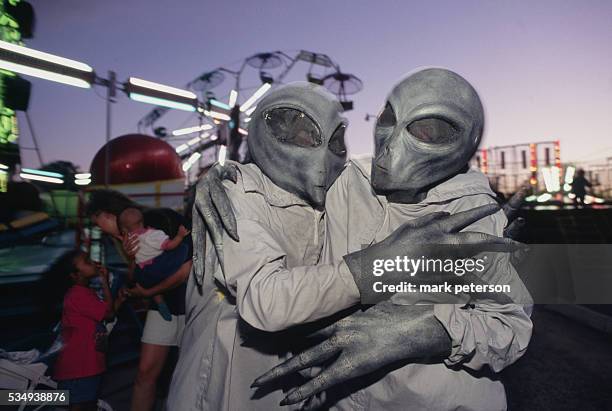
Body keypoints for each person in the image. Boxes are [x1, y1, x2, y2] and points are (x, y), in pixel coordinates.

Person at [169, 79, 523, 411]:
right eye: (390, 119)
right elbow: (274, 183)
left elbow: (511, 326)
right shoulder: (346, 183)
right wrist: (224, 177)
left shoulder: (472, 210)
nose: (394, 145)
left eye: (430, 131)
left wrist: (429, 330)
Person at [86, 189, 192, 411]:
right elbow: (137, 275)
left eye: (98, 222)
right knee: (145, 374)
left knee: (189, 374)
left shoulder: (157, 221)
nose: (99, 228)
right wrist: (132, 261)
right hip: (162, 305)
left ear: (107, 214)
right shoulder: (124, 240)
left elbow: (186, 268)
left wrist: (146, 293)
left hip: (190, 303)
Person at [51, 250, 126, 411]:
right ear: (75, 275)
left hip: (87, 364)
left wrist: (118, 301)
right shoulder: (78, 295)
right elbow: (108, 313)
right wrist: (105, 281)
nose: (92, 262)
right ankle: (11, 399)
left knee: (86, 404)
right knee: (80, 405)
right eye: (86, 261)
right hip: (80, 367)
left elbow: (103, 316)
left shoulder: (85, 293)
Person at [117, 207, 191, 321]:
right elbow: (169, 245)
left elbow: (132, 266)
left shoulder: (128, 240)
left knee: (149, 279)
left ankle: (160, 302)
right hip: (158, 268)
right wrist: (180, 236)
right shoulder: (152, 235)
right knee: (182, 249)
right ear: (142, 221)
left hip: (142, 274)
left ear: (123, 228)